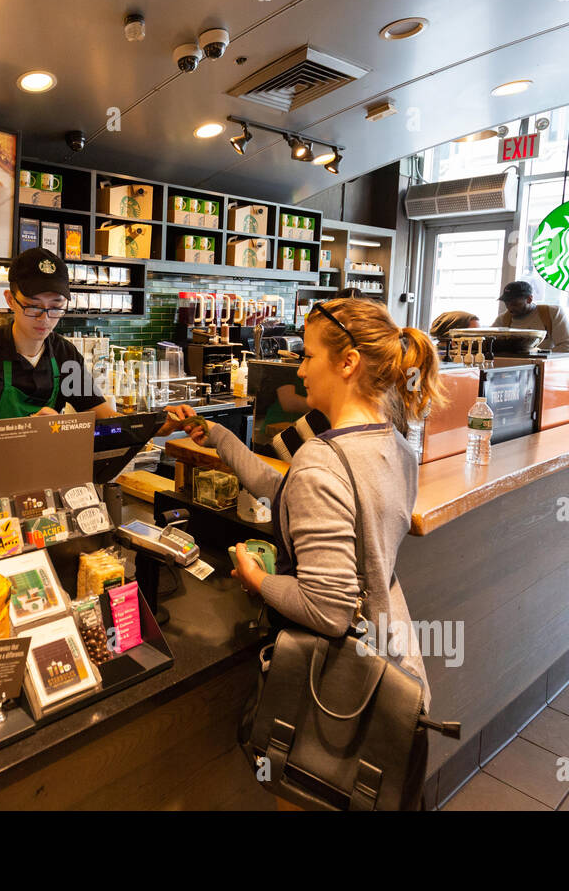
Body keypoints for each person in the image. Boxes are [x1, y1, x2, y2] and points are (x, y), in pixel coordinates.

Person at [165, 298, 443, 711]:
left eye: (309, 356)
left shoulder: (322, 460)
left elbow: (326, 608)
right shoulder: (395, 445)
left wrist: (256, 578)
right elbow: (287, 491)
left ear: (348, 363)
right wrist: (220, 438)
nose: (299, 369)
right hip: (391, 651)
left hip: (339, 685)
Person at [0, 247, 118, 420]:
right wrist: (29, 427)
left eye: (56, 308)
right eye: (33, 306)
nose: (45, 318)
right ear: (10, 300)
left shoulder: (65, 354)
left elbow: (100, 414)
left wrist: (151, 426)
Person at [491, 280, 569, 353]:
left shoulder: (552, 313)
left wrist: (536, 356)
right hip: (511, 369)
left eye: (515, 304)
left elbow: (567, 346)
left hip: (544, 368)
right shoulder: (503, 320)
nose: (510, 308)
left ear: (529, 299)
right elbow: (487, 344)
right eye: (506, 303)